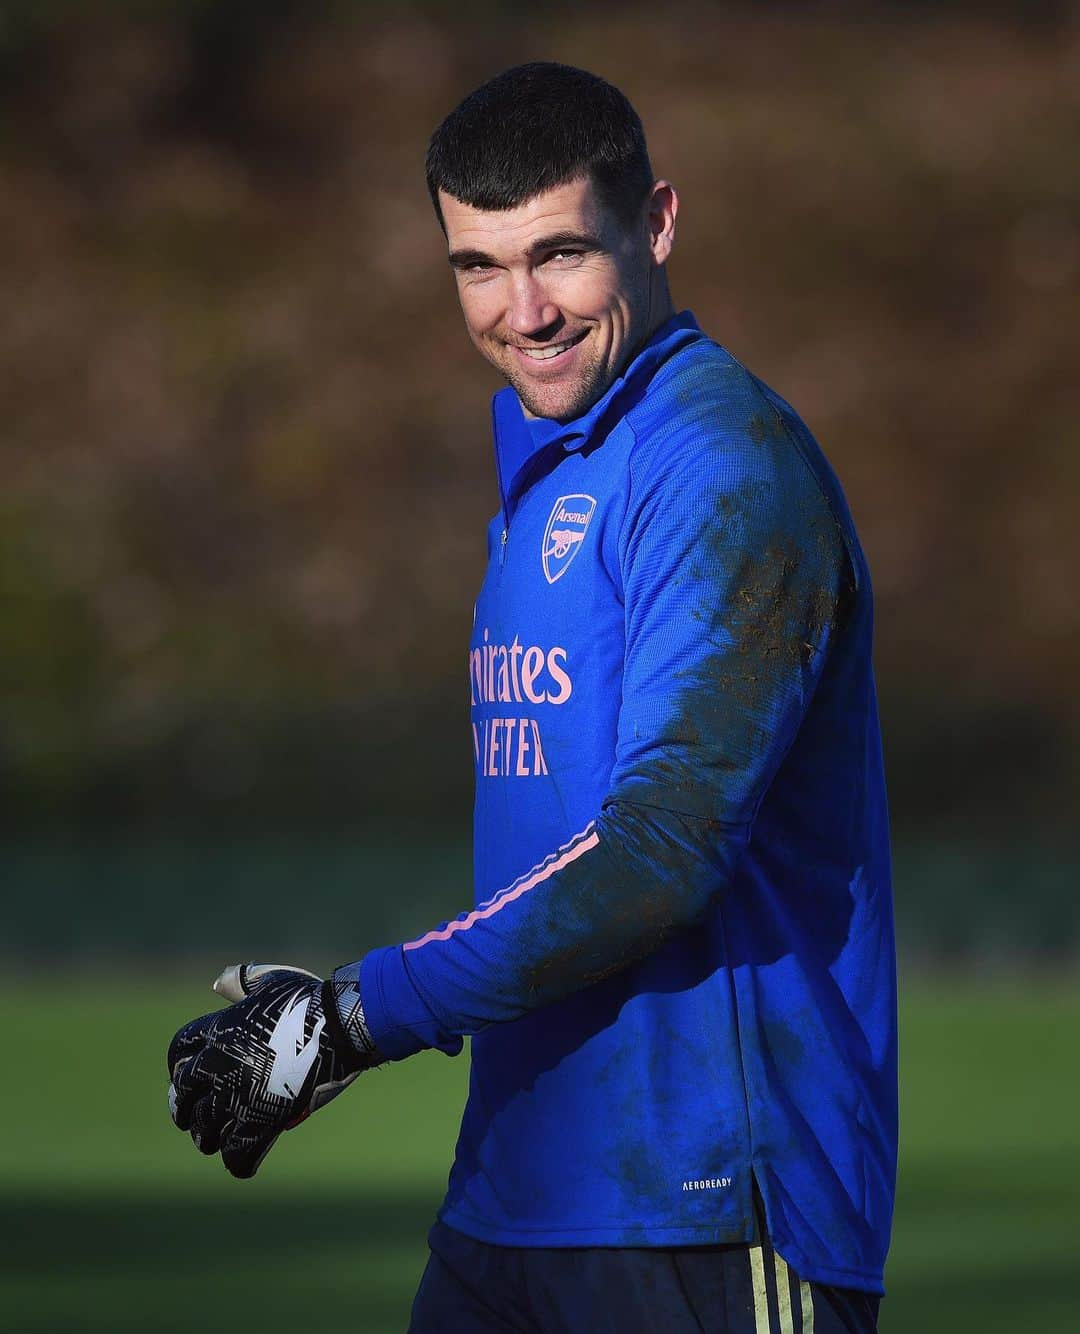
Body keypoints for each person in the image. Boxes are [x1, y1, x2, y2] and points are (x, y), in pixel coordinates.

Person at [167, 62, 897, 1334]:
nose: (525, 311)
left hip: (709, 1206)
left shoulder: (722, 468)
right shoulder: (553, 469)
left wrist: (355, 1016)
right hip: (518, 1194)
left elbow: (656, 852)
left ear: (656, 222)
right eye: (478, 266)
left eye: (561, 253)